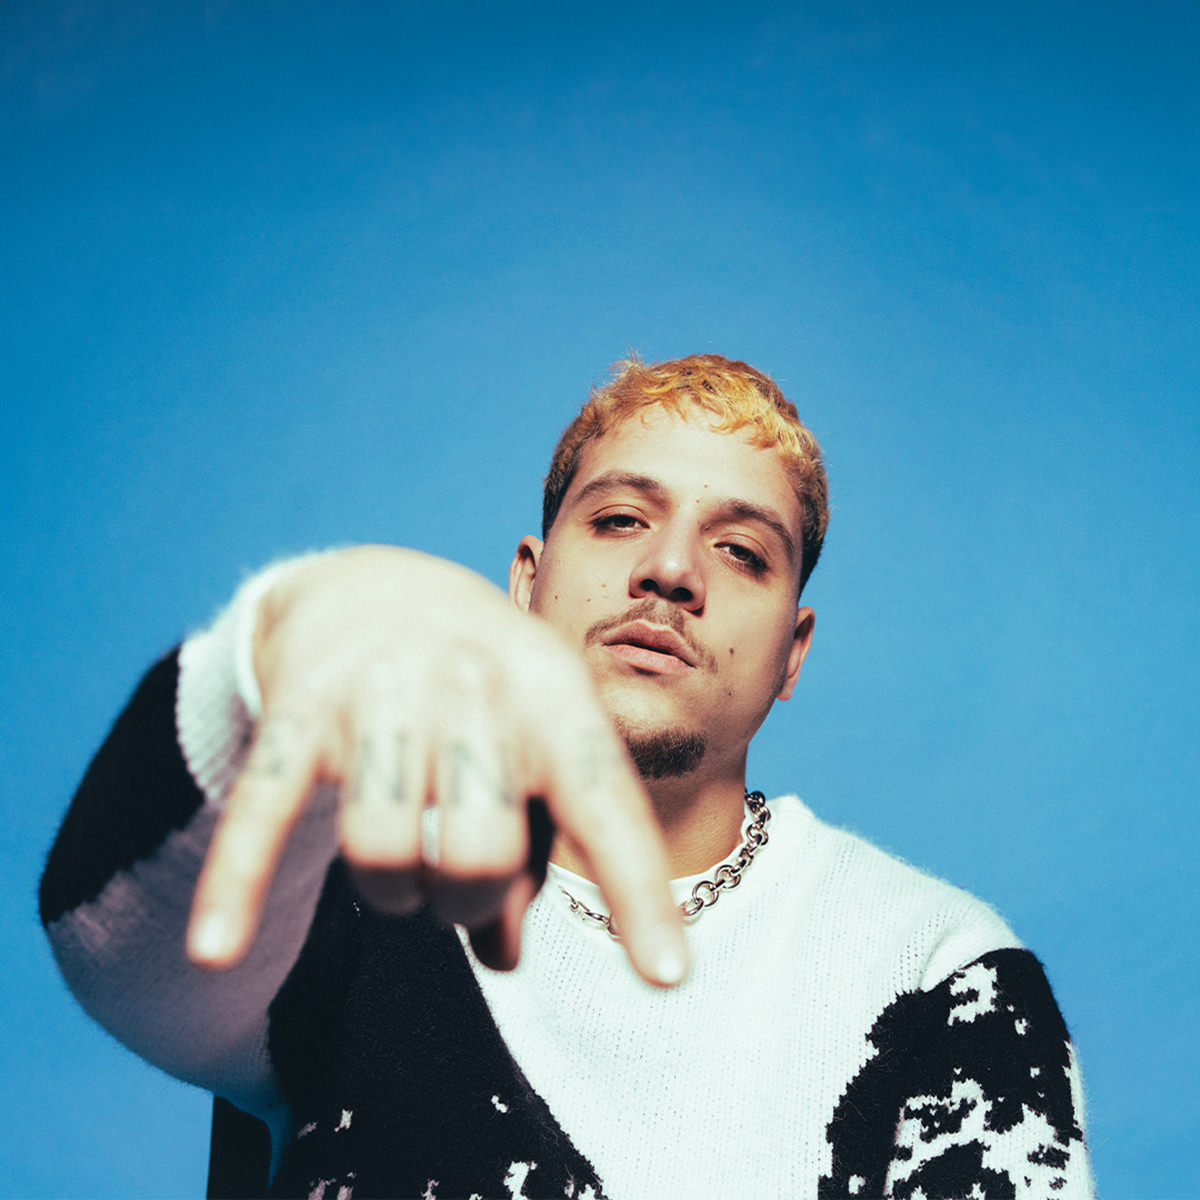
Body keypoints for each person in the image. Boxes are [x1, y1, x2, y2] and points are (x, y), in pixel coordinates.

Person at [41, 354, 1095, 1198]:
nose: (670, 571)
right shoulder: (350, 878)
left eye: (742, 551)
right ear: (527, 584)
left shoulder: (940, 976)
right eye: (621, 519)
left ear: (793, 654)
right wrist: (254, 666)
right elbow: (125, 959)